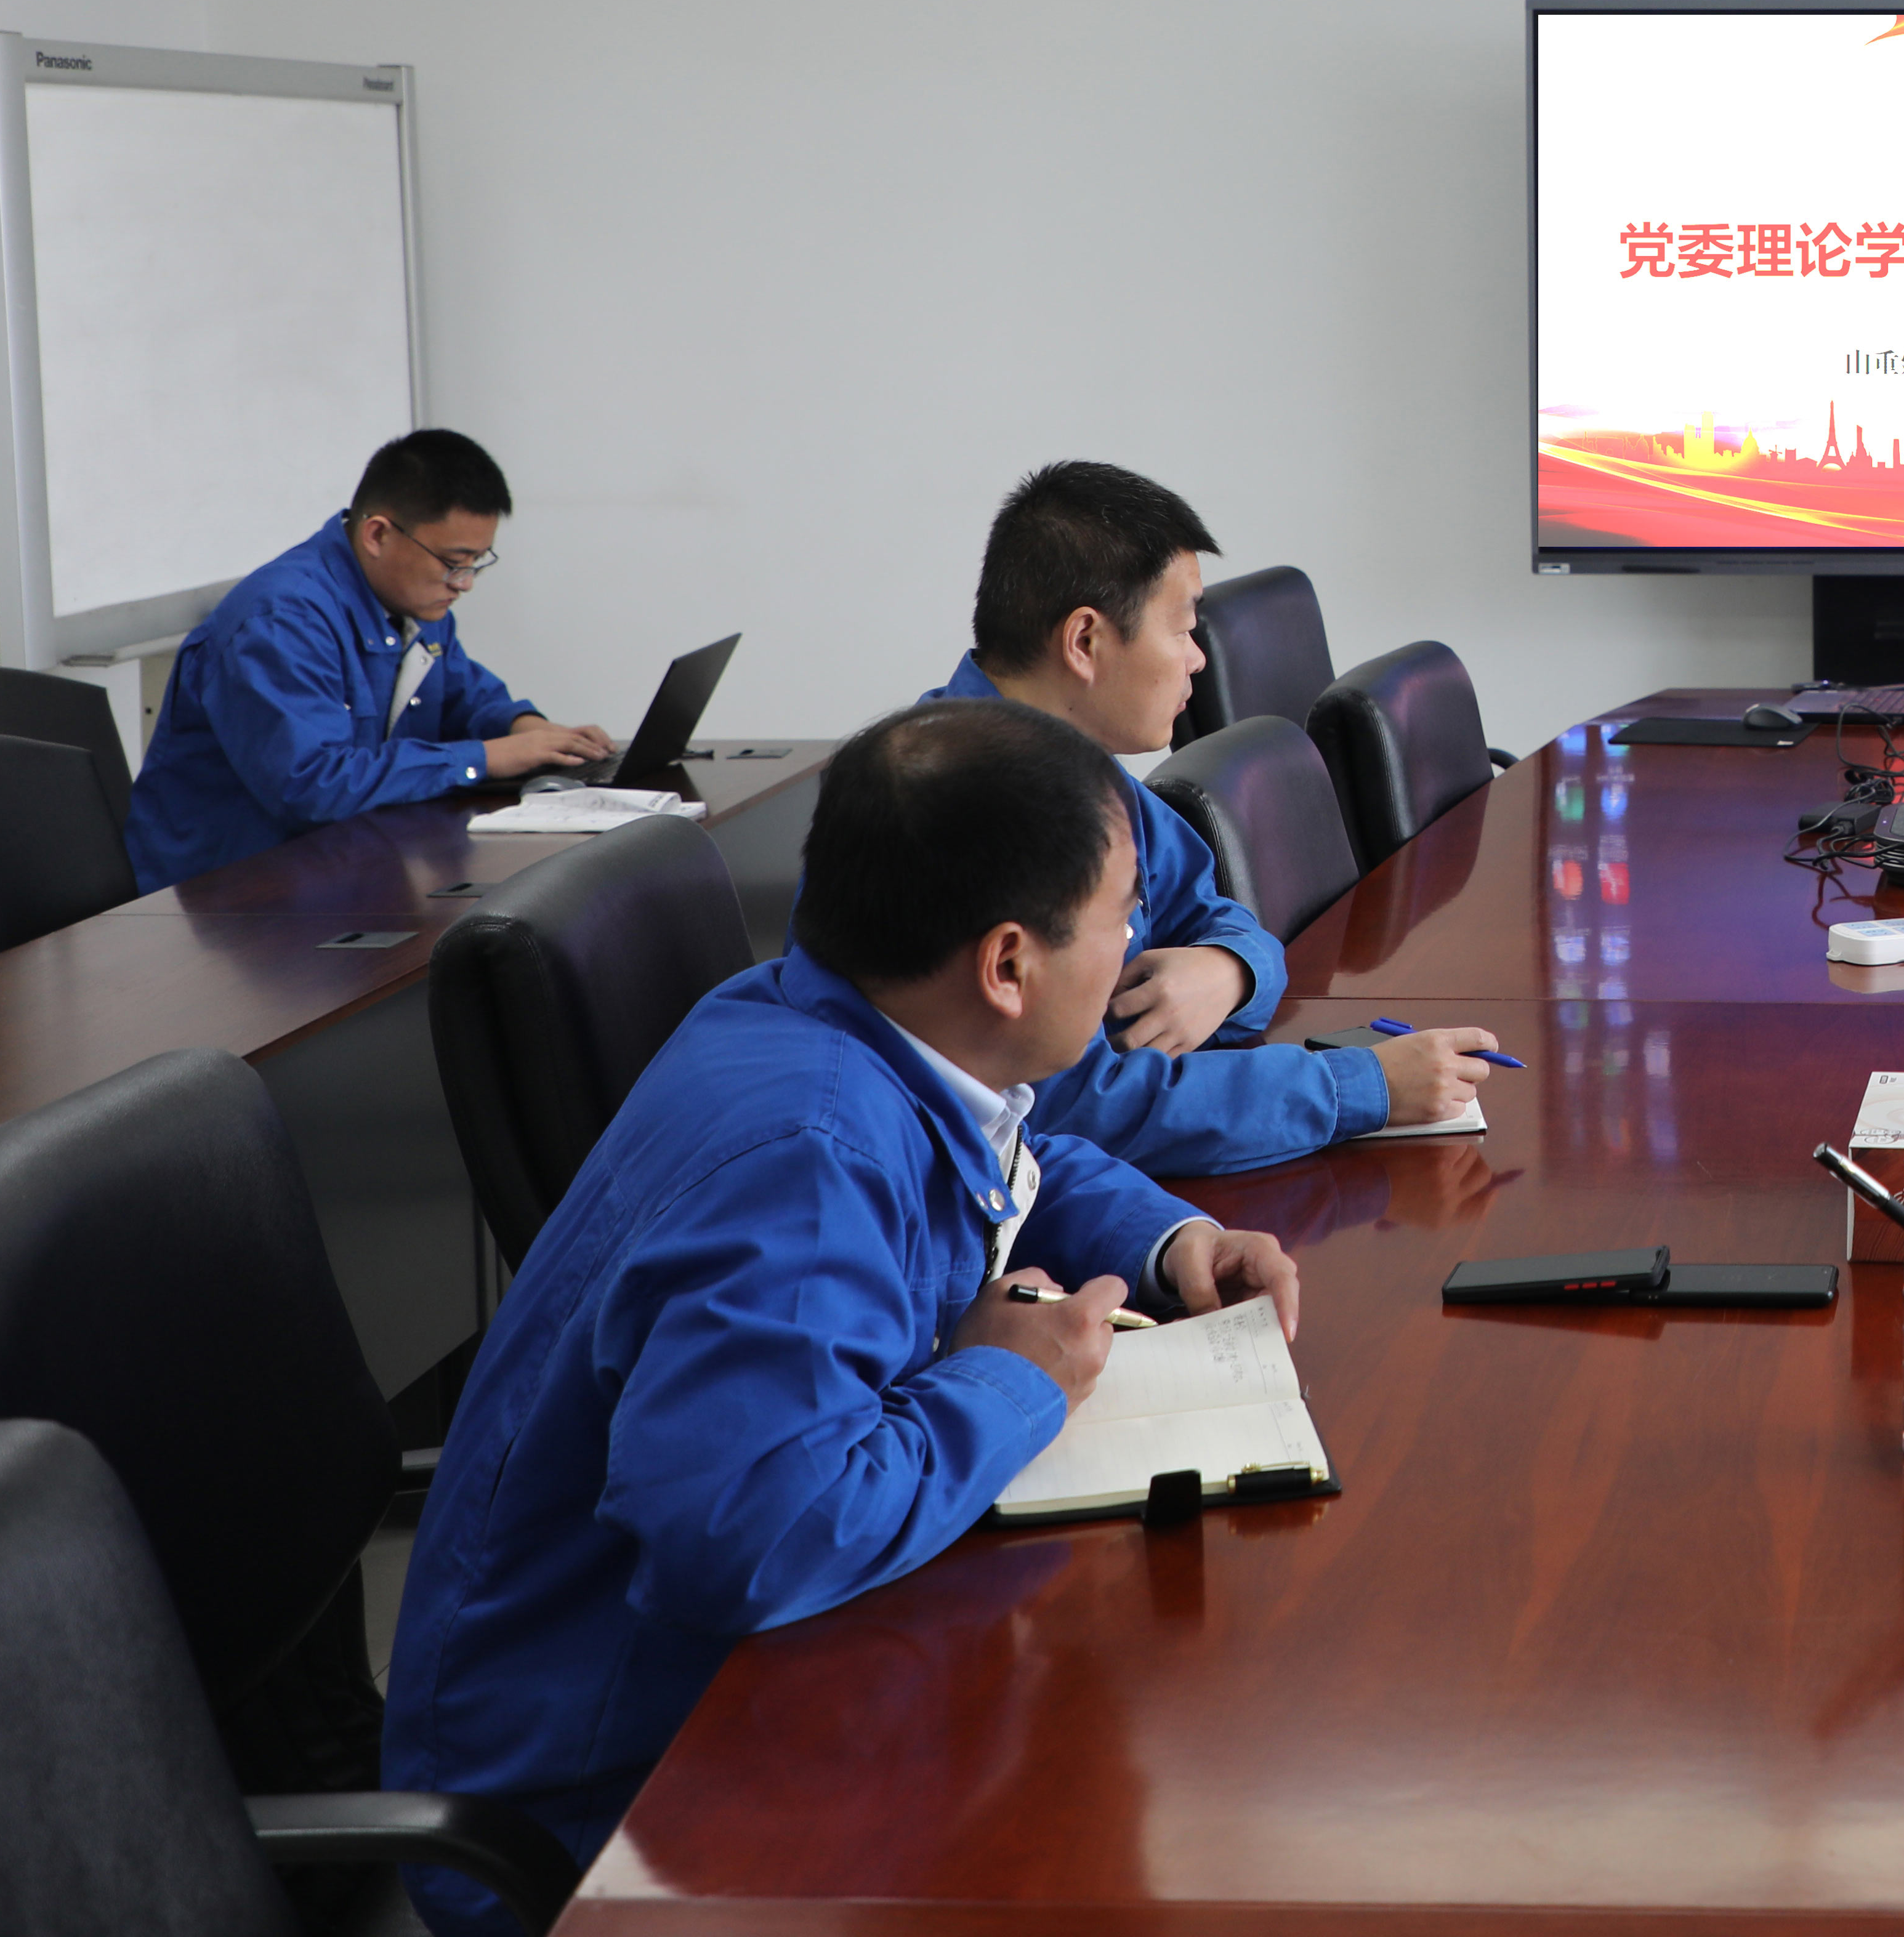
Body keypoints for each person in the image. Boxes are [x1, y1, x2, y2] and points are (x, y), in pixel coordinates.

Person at [381, 698, 1308, 1928]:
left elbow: (1002, 1151)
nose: (1139, 938)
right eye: (1122, 916)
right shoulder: (807, 1157)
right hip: (603, 1799)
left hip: (694, 1688)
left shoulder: (820, 1009)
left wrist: (1172, 1236)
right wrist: (1011, 1380)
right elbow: (750, 1536)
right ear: (1009, 962)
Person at [928, 461, 1488, 1170]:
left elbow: (1221, 912)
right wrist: (1362, 1086)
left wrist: (1228, 971)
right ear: (1085, 642)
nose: (1198, 659)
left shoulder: (1078, 767)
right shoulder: (963, 819)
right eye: (1184, 630)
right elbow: (1074, 1110)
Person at [125, 428, 615, 890]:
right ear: (377, 535)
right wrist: (484, 758)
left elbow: (463, 694)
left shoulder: (415, 600)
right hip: (227, 899)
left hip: (343, 866)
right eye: (452, 563)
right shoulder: (279, 621)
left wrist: (526, 729)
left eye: (475, 565)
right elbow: (311, 786)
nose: (463, 584)